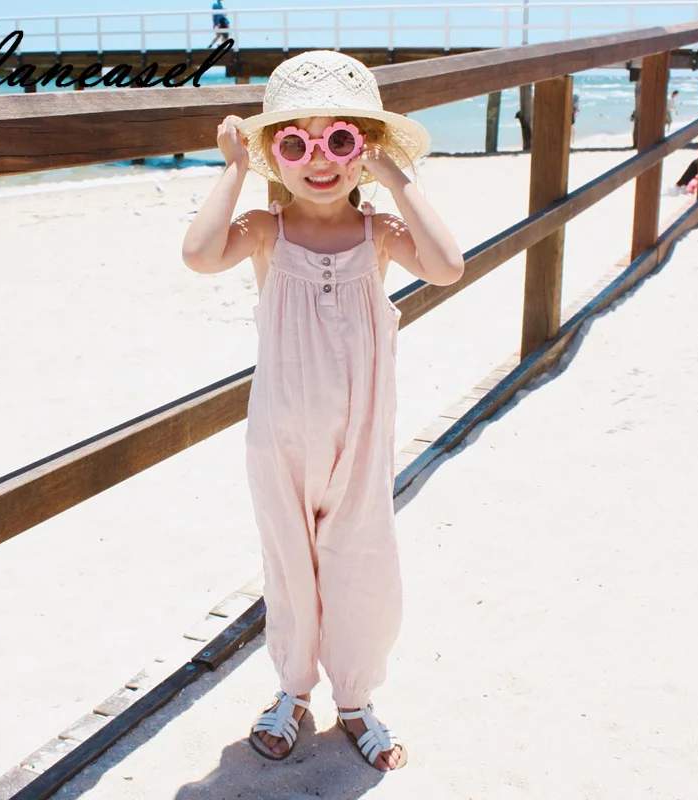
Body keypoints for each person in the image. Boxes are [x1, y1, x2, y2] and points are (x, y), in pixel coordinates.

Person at [182, 50, 463, 772]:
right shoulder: (265, 230)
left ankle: (356, 698)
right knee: (290, 565)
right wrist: (233, 168)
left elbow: (447, 266)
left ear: (363, 150)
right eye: (295, 143)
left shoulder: (380, 235)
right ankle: (293, 689)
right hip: (279, 439)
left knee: (360, 562)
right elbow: (199, 254)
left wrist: (396, 175)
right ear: (275, 155)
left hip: (360, 440)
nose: (319, 160)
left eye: (340, 140)